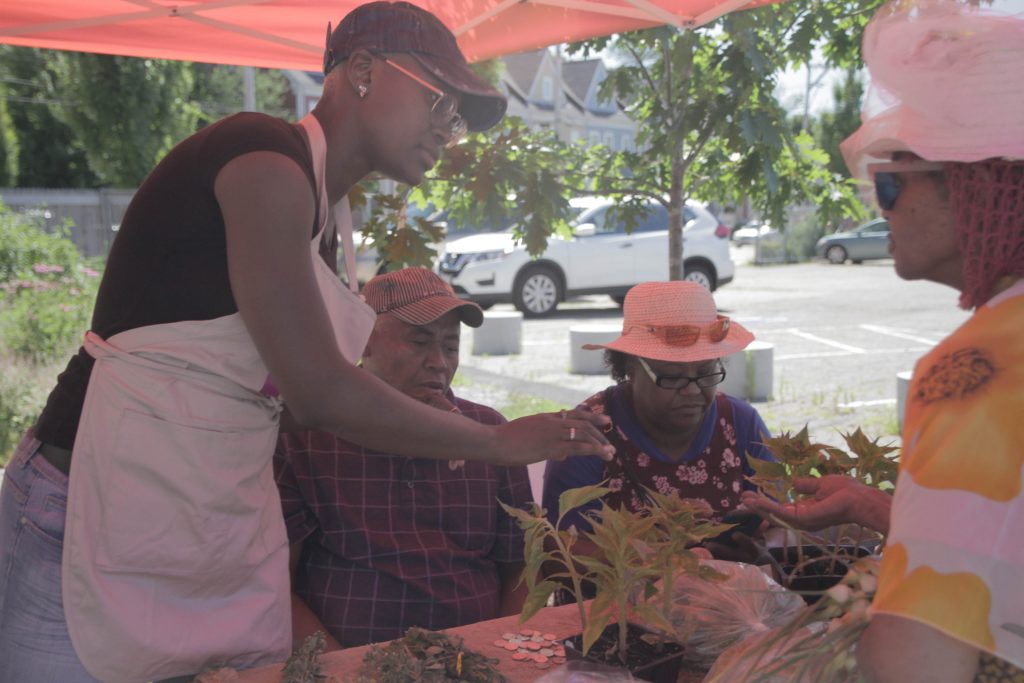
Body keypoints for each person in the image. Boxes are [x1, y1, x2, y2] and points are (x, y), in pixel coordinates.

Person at [0, 4, 614, 682]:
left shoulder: (329, 225)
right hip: (88, 499)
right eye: (439, 99)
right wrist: (497, 444)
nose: (450, 127)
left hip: (199, 508)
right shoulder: (260, 155)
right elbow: (317, 390)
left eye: (459, 115)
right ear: (361, 71)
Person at [745, 1, 1024, 679]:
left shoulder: (978, 367)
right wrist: (876, 507)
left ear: (978, 183)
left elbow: (917, 662)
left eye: (892, 179)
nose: (881, 205)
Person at [275, 267, 532, 649]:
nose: (439, 362)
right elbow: (279, 586)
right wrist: (338, 671)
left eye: (450, 346)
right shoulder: (308, 437)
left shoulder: (488, 433)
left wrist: (503, 652)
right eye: (419, 341)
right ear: (364, 342)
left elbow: (520, 572)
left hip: (475, 663)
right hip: (345, 666)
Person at [543, 281, 776, 568]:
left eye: (705, 373)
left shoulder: (741, 423)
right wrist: (650, 555)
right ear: (629, 367)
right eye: (672, 376)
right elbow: (557, 552)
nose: (692, 390)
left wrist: (757, 550)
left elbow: (783, 522)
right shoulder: (591, 432)